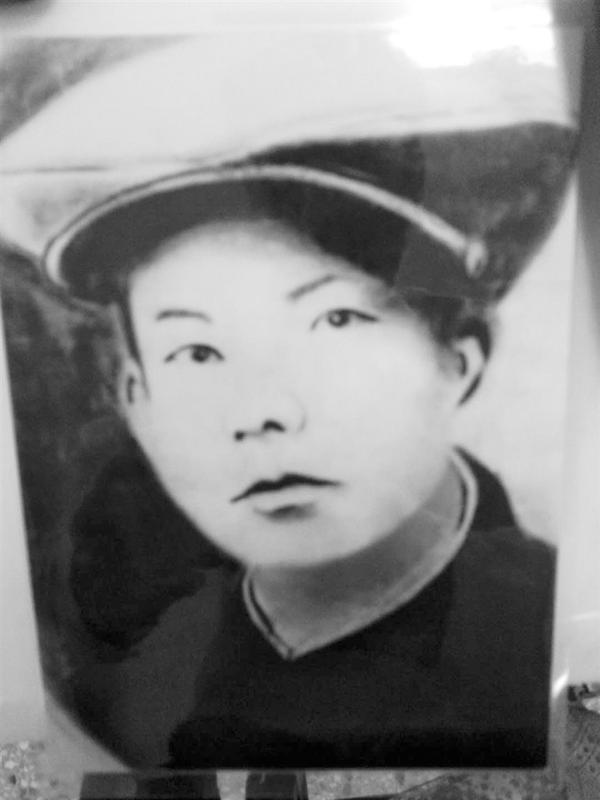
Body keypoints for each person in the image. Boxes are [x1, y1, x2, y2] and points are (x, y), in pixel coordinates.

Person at [0, 37, 575, 774]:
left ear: (458, 363)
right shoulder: (141, 675)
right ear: (136, 401)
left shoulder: (525, 644)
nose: (262, 412)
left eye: (335, 321)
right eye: (197, 352)